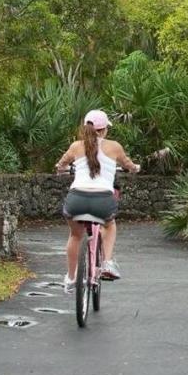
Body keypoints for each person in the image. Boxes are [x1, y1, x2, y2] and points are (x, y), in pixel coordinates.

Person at [55, 109, 140, 294]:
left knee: (75, 236)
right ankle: (108, 263)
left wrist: (61, 168)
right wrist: (134, 168)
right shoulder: (115, 147)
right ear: (104, 130)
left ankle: (70, 279)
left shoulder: (76, 146)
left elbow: (61, 164)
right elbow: (128, 164)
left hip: (76, 199)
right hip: (102, 200)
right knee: (109, 225)